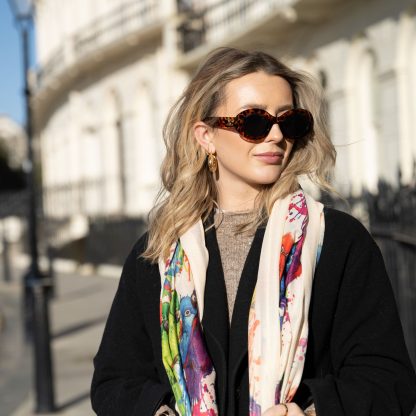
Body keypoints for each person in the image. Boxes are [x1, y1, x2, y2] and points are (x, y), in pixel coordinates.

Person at [90, 47, 416, 416]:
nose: (276, 136)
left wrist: (312, 411)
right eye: (254, 122)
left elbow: (389, 378)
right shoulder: (158, 252)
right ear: (206, 136)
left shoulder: (338, 240)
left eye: (288, 121)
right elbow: (114, 381)